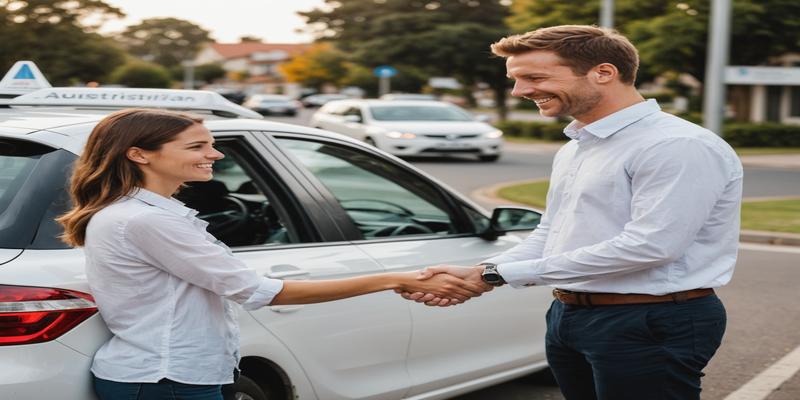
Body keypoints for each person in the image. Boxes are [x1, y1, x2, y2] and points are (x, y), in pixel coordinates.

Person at [403, 25, 743, 400]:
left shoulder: (675, 145)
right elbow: (552, 232)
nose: (520, 91)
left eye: (534, 77)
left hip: (649, 319)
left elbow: (651, 246)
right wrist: (481, 271)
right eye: (515, 80)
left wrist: (497, 276)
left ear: (603, 73)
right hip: (569, 315)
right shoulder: (578, 145)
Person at [57, 108, 491, 400]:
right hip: (168, 378)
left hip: (168, 374)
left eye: (209, 144)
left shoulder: (145, 212)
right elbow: (258, 291)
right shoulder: (147, 219)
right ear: (139, 155)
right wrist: (395, 278)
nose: (216, 154)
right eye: (197, 147)